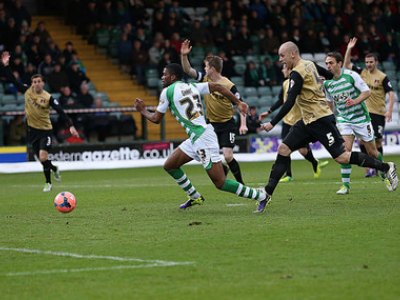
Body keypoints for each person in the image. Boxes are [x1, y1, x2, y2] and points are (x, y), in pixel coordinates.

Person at [257, 42, 398, 213]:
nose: (280, 60)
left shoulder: (296, 73)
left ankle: (385, 167)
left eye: (282, 56)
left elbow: (290, 101)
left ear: (293, 54)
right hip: (308, 120)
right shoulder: (310, 64)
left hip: (321, 120)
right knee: (283, 148)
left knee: (343, 157)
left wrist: (272, 122)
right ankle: (267, 193)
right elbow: (329, 77)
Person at [134, 63, 267, 211]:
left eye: (164, 74)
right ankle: (195, 196)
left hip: (202, 138)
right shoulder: (192, 86)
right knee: (170, 165)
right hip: (196, 137)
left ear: (172, 77)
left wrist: (143, 110)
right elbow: (218, 87)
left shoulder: (167, 92)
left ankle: (260, 195)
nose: (162, 77)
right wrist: (238, 102)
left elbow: (156, 119)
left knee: (220, 183)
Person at [0, 51, 79, 192]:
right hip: (32, 131)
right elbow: (11, 79)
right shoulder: (27, 91)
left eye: (39, 82)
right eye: (34, 82)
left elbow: (60, 111)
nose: (36, 84)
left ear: (43, 83)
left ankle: (48, 183)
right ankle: (54, 168)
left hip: (46, 131)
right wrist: (6, 65)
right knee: (42, 159)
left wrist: (71, 126)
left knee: (43, 156)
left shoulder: (48, 97)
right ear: (32, 84)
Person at [181, 39, 247, 184]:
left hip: (227, 124)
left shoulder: (229, 85)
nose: (204, 69)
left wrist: (243, 124)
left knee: (228, 156)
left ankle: (241, 184)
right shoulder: (205, 80)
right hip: (211, 125)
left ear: (212, 68)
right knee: (204, 153)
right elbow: (187, 70)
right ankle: (223, 171)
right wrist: (184, 56)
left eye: (205, 66)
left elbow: (241, 105)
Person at [324, 51, 384, 195]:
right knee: (345, 152)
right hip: (344, 120)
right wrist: (329, 119)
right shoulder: (327, 84)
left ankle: (385, 170)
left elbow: (367, 92)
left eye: (331, 63)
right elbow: (329, 104)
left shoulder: (351, 76)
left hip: (362, 119)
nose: (328, 66)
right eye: (326, 63)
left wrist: (354, 101)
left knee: (373, 152)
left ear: (339, 63)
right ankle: (346, 186)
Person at [259, 63, 328, 183]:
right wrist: (269, 111)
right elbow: (281, 100)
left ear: (289, 69)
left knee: (303, 151)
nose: (282, 70)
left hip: (299, 120)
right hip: (287, 121)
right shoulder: (285, 84)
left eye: (284, 68)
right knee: (284, 147)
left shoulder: (299, 81)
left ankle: (315, 163)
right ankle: (288, 174)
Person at [344, 37, 396, 177]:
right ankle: (368, 170)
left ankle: (381, 168)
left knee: (377, 142)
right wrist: (349, 49)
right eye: (367, 62)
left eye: (371, 62)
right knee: (362, 141)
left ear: (376, 62)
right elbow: (347, 64)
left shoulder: (383, 77)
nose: (368, 64)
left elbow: (391, 94)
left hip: (378, 113)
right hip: (364, 113)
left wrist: (389, 111)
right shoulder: (362, 73)